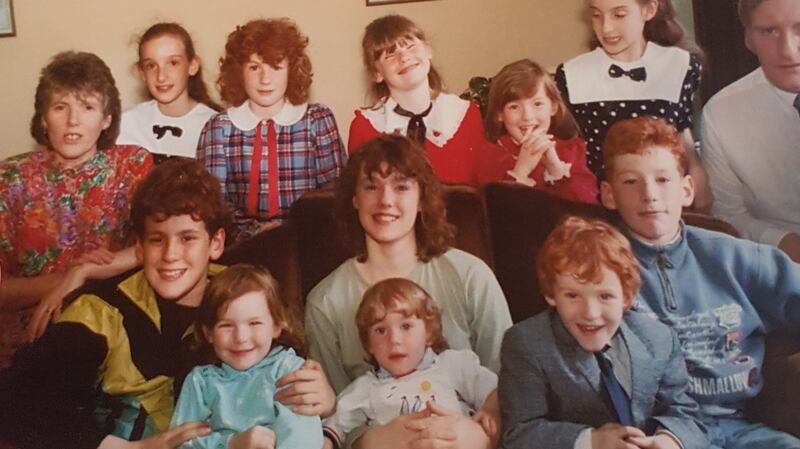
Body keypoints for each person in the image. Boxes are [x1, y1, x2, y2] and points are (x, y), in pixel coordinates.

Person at [0, 158, 335, 449]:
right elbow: (19, 399)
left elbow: (292, 366)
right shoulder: (101, 310)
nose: (171, 255)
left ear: (215, 243)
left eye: (188, 238)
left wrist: (325, 398)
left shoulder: (245, 293)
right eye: (157, 239)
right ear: (140, 248)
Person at [599, 116, 800, 449]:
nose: (649, 195)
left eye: (663, 180)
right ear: (608, 194)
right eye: (631, 182)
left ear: (687, 189)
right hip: (655, 435)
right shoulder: (598, 265)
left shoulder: (734, 258)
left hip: (739, 427)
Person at [305, 135, 512, 449]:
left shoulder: (471, 276)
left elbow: (511, 386)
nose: (385, 200)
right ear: (354, 199)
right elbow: (335, 414)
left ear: (422, 198)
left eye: (402, 186)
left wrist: (479, 435)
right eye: (371, 186)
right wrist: (373, 441)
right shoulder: (325, 302)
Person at [0, 51, 153, 367]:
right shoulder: (9, 178)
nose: (73, 120)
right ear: (43, 118)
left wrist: (87, 273)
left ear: (107, 118)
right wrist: (68, 277)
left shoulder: (132, 165)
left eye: (87, 107)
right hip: (25, 341)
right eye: (60, 107)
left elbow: (156, 249)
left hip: (109, 332)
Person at [500, 215, 707, 449]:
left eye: (605, 296)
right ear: (551, 294)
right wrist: (592, 441)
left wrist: (667, 441)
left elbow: (685, 415)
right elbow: (519, 433)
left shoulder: (659, 339)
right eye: (572, 295)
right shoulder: (526, 344)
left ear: (627, 296)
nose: (590, 312)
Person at [197, 18, 347, 242]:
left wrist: (291, 231)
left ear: (292, 70)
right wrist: (254, 233)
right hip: (242, 244)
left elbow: (335, 193)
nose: (265, 79)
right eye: (254, 67)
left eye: (276, 67)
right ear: (239, 72)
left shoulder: (316, 120)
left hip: (308, 238)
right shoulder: (219, 127)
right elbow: (214, 201)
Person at [555, 0, 712, 211]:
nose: (606, 28)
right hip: (600, 207)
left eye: (619, 15)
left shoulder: (679, 65)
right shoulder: (572, 74)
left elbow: (684, 141)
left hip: (662, 206)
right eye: (597, 16)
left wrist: (701, 203)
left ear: (649, 10)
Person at [323, 278, 500, 449]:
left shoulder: (453, 365)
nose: (394, 340)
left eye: (406, 326)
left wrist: (491, 411)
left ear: (429, 333)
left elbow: (494, 390)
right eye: (381, 330)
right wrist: (326, 442)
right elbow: (335, 425)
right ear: (369, 344)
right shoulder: (365, 388)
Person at [171, 264, 322, 449]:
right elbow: (181, 442)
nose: (241, 338)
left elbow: (302, 436)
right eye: (226, 326)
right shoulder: (201, 383)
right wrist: (231, 444)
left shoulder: (289, 371)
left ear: (276, 325)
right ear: (208, 332)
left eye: (254, 323)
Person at [700, 0, 800, 262]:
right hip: (779, 267)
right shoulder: (721, 113)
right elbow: (728, 215)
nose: (788, 50)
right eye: (769, 31)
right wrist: (782, 241)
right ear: (748, 38)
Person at [348, 14, 486, 185]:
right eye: (390, 55)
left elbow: (479, 194)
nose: (404, 58)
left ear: (428, 50)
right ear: (376, 73)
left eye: (411, 47)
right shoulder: (365, 126)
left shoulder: (465, 114)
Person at [477, 59, 599, 204]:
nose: (527, 116)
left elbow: (587, 210)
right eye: (514, 107)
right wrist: (521, 171)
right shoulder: (489, 155)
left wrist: (556, 169)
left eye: (537, 104)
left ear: (553, 107)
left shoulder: (572, 150)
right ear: (499, 114)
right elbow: (496, 214)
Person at [118, 22, 221, 161]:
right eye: (151, 66)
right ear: (142, 72)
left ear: (192, 66)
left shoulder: (216, 127)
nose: (161, 76)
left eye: (173, 63)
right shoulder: (126, 124)